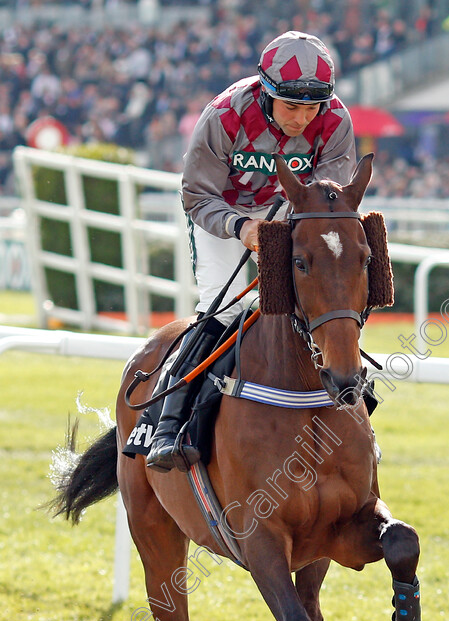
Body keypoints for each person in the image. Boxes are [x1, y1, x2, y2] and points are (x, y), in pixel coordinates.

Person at [147, 30, 357, 472]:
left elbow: (330, 201)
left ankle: (347, 386)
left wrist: (289, 233)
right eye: (291, 106)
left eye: (312, 107)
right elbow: (197, 195)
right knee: (221, 307)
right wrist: (242, 228)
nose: (303, 119)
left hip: (289, 213)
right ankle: (167, 424)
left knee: (324, 290)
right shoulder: (224, 115)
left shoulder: (335, 120)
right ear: (265, 92)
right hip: (222, 210)